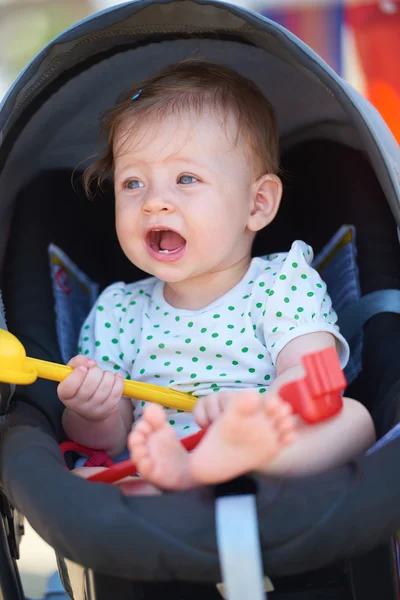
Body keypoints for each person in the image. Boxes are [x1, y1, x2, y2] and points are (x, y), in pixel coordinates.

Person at [57, 60, 376, 494]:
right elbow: (110, 439)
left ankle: (235, 461)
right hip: (161, 457)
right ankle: (184, 477)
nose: (154, 203)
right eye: (132, 183)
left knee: (354, 420)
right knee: (81, 479)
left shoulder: (282, 282)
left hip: (270, 445)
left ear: (257, 204)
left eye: (186, 178)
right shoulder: (118, 310)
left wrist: (253, 413)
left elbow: (307, 371)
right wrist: (91, 411)